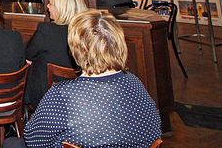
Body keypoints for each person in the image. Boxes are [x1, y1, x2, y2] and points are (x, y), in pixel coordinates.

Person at [24, 10, 162, 148]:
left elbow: (33, 140)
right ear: (119, 43)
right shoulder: (135, 83)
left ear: (76, 50)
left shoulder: (62, 95)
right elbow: (155, 130)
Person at [25, 0, 86, 107]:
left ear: (62, 9)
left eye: (51, 4)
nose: (47, 6)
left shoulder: (46, 30)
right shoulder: (86, 32)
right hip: (79, 95)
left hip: (46, 96)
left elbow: (28, 54)